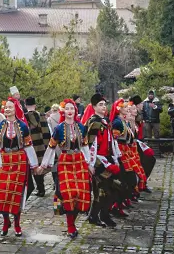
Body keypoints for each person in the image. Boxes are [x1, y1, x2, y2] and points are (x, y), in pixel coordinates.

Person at [0, 98, 38, 237]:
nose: (7, 109)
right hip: (3, 160)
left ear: (15, 109)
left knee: (16, 194)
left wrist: (34, 165)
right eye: (6, 107)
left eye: (10, 107)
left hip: (19, 161)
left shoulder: (23, 126)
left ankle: (17, 223)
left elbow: (28, 146)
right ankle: (5, 220)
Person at [39, 99, 92, 239]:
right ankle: (70, 227)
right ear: (64, 111)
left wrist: (89, 163)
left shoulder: (81, 127)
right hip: (65, 162)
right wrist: (45, 164)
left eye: (72, 109)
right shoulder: (58, 128)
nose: (70, 111)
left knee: (79, 194)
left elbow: (85, 146)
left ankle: (72, 224)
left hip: (79, 161)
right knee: (68, 193)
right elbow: (51, 147)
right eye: (67, 109)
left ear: (75, 111)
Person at [85, 93, 121, 228]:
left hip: (107, 157)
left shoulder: (105, 121)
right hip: (97, 160)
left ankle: (103, 214)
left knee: (113, 188)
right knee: (102, 190)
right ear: (94, 107)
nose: (103, 107)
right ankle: (95, 215)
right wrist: (90, 163)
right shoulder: (94, 122)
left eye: (105, 105)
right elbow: (89, 144)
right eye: (100, 105)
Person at [24, 96, 50, 197]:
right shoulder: (42, 116)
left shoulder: (24, 117)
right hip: (41, 145)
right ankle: (41, 188)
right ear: (35, 105)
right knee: (40, 166)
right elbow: (46, 132)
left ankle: (40, 189)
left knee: (34, 166)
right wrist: (47, 146)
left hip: (31, 146)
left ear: (26, 106)